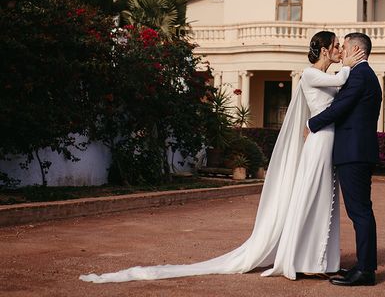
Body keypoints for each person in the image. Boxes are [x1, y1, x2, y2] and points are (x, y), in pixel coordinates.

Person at [79, 31, 364, 283]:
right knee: (313, 196)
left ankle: (319, 257)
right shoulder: (312, 73)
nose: (340, 50)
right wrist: (354, 64)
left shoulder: (323, 76)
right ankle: (304, 258)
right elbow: (340, 80)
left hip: (327, 140)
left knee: (324, 197)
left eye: (343, 46)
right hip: (320, 140)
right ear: (325, 50)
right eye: (337, 46)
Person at [307, 32, 382, 287]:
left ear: (357, 50)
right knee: (359, 211)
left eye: (345, 47)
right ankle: (362, 266)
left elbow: (341, 108)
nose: (342, 51)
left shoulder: (360, 75)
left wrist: (312, 123)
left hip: (355, 154)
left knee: (360, 211)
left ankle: (366, 271)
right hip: (355, 152)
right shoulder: (362, 75)